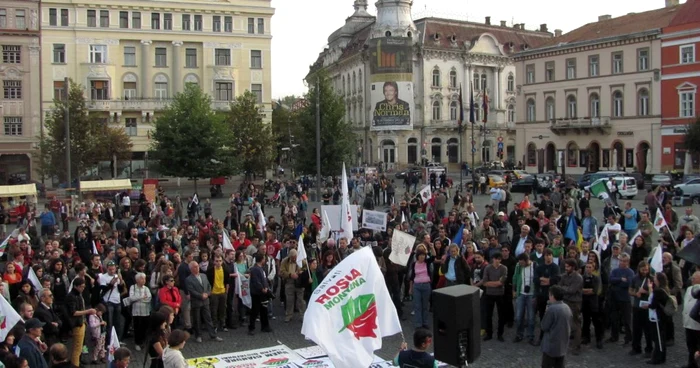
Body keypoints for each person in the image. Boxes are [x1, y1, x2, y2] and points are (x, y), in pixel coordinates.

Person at [540, 285, 573, 368]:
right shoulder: (567, 307)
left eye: (549, 295)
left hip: (551, 346)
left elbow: (544, 326)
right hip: (562, 345)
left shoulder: (552, 309)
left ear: (553, 296)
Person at [248, 253, 273, 335]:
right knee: (255, 311)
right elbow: (256, 281)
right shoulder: (255, 269)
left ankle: (265, 326)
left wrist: (266, 287)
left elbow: (264, 279)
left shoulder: (261, 269)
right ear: (262, 259)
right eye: (264, 259)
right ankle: (251, 328)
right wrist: (262, 288)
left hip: (262, 293)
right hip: (257, 293)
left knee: (264, 310)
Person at [683, 272, 700, 368]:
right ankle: (691, 364)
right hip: (688, 323)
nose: (692, 280)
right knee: (690, 346)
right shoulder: (689, 289)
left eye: (694, 278)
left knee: (697, 347)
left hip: (697, 325)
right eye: (692, 278)